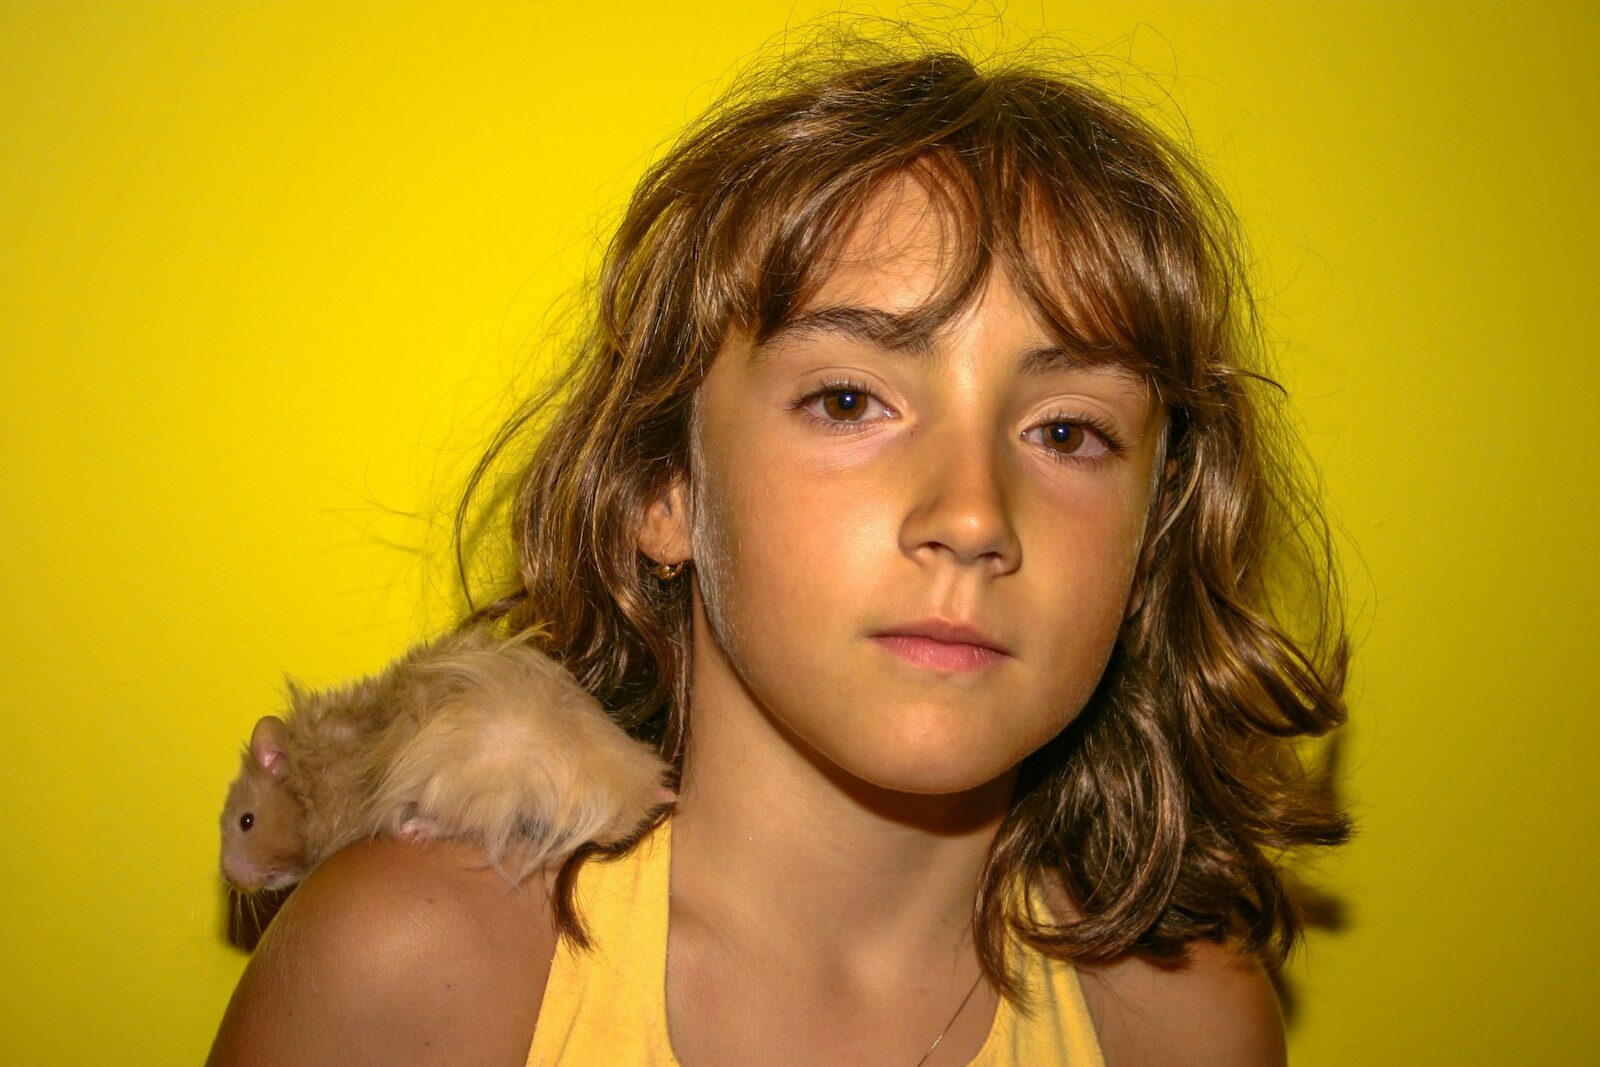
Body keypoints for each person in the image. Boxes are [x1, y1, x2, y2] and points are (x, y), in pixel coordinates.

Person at [207, 36, 1350, 1067]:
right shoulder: (418, 971)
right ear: (662, 489)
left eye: (1066, 431)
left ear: (1151, 534)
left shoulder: (1187, 1029)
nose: (971, 514)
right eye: (850, 399)